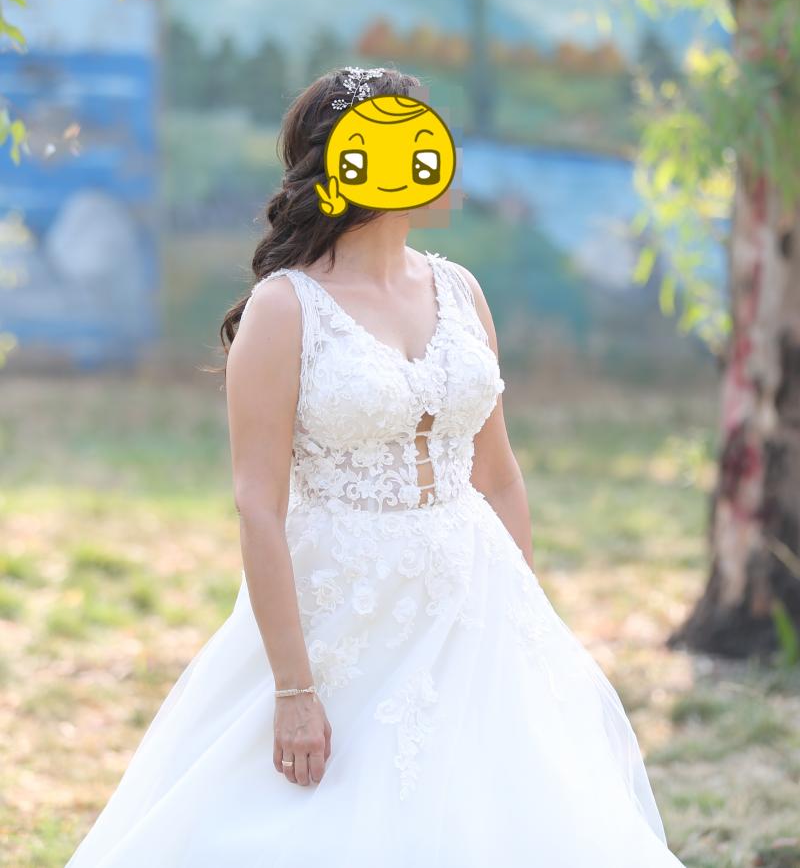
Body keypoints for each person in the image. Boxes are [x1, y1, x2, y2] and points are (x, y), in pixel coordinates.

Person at [64, 67, 687, 867]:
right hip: (341, 611)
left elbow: (498, 474)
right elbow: (258, 505)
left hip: (473, 596)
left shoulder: (461, 290)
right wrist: (294, 688)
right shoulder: (285, 308)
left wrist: (527, 627)